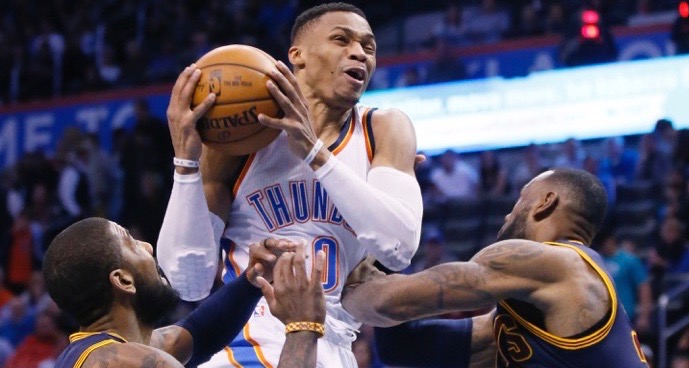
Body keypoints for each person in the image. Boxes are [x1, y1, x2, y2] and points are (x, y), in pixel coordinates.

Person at [157, 2, 422, 367]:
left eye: (368, 46)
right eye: (341, 40)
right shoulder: (243, 137)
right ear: (298, 56)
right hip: (244, 340)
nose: (359, 52)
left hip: (331, 344)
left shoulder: (383, 128)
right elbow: (187, 281)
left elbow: (399, 247)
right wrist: (186, 164)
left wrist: (315, 153)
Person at [342, 168, 650, 367]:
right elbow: (403, 347)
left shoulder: (556, 264)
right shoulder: (533, 319)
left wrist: (343, 281)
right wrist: (379, 260)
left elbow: (387, 302)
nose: (507, 215)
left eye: (519, 200)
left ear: (545, 202)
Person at [43, 217, 326, 368]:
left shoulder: (99, 352)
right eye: (131, 243)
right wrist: (304, 325)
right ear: (123, 281)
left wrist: (251, 281)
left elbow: (196, 333)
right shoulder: (125, 363)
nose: (148, 247)